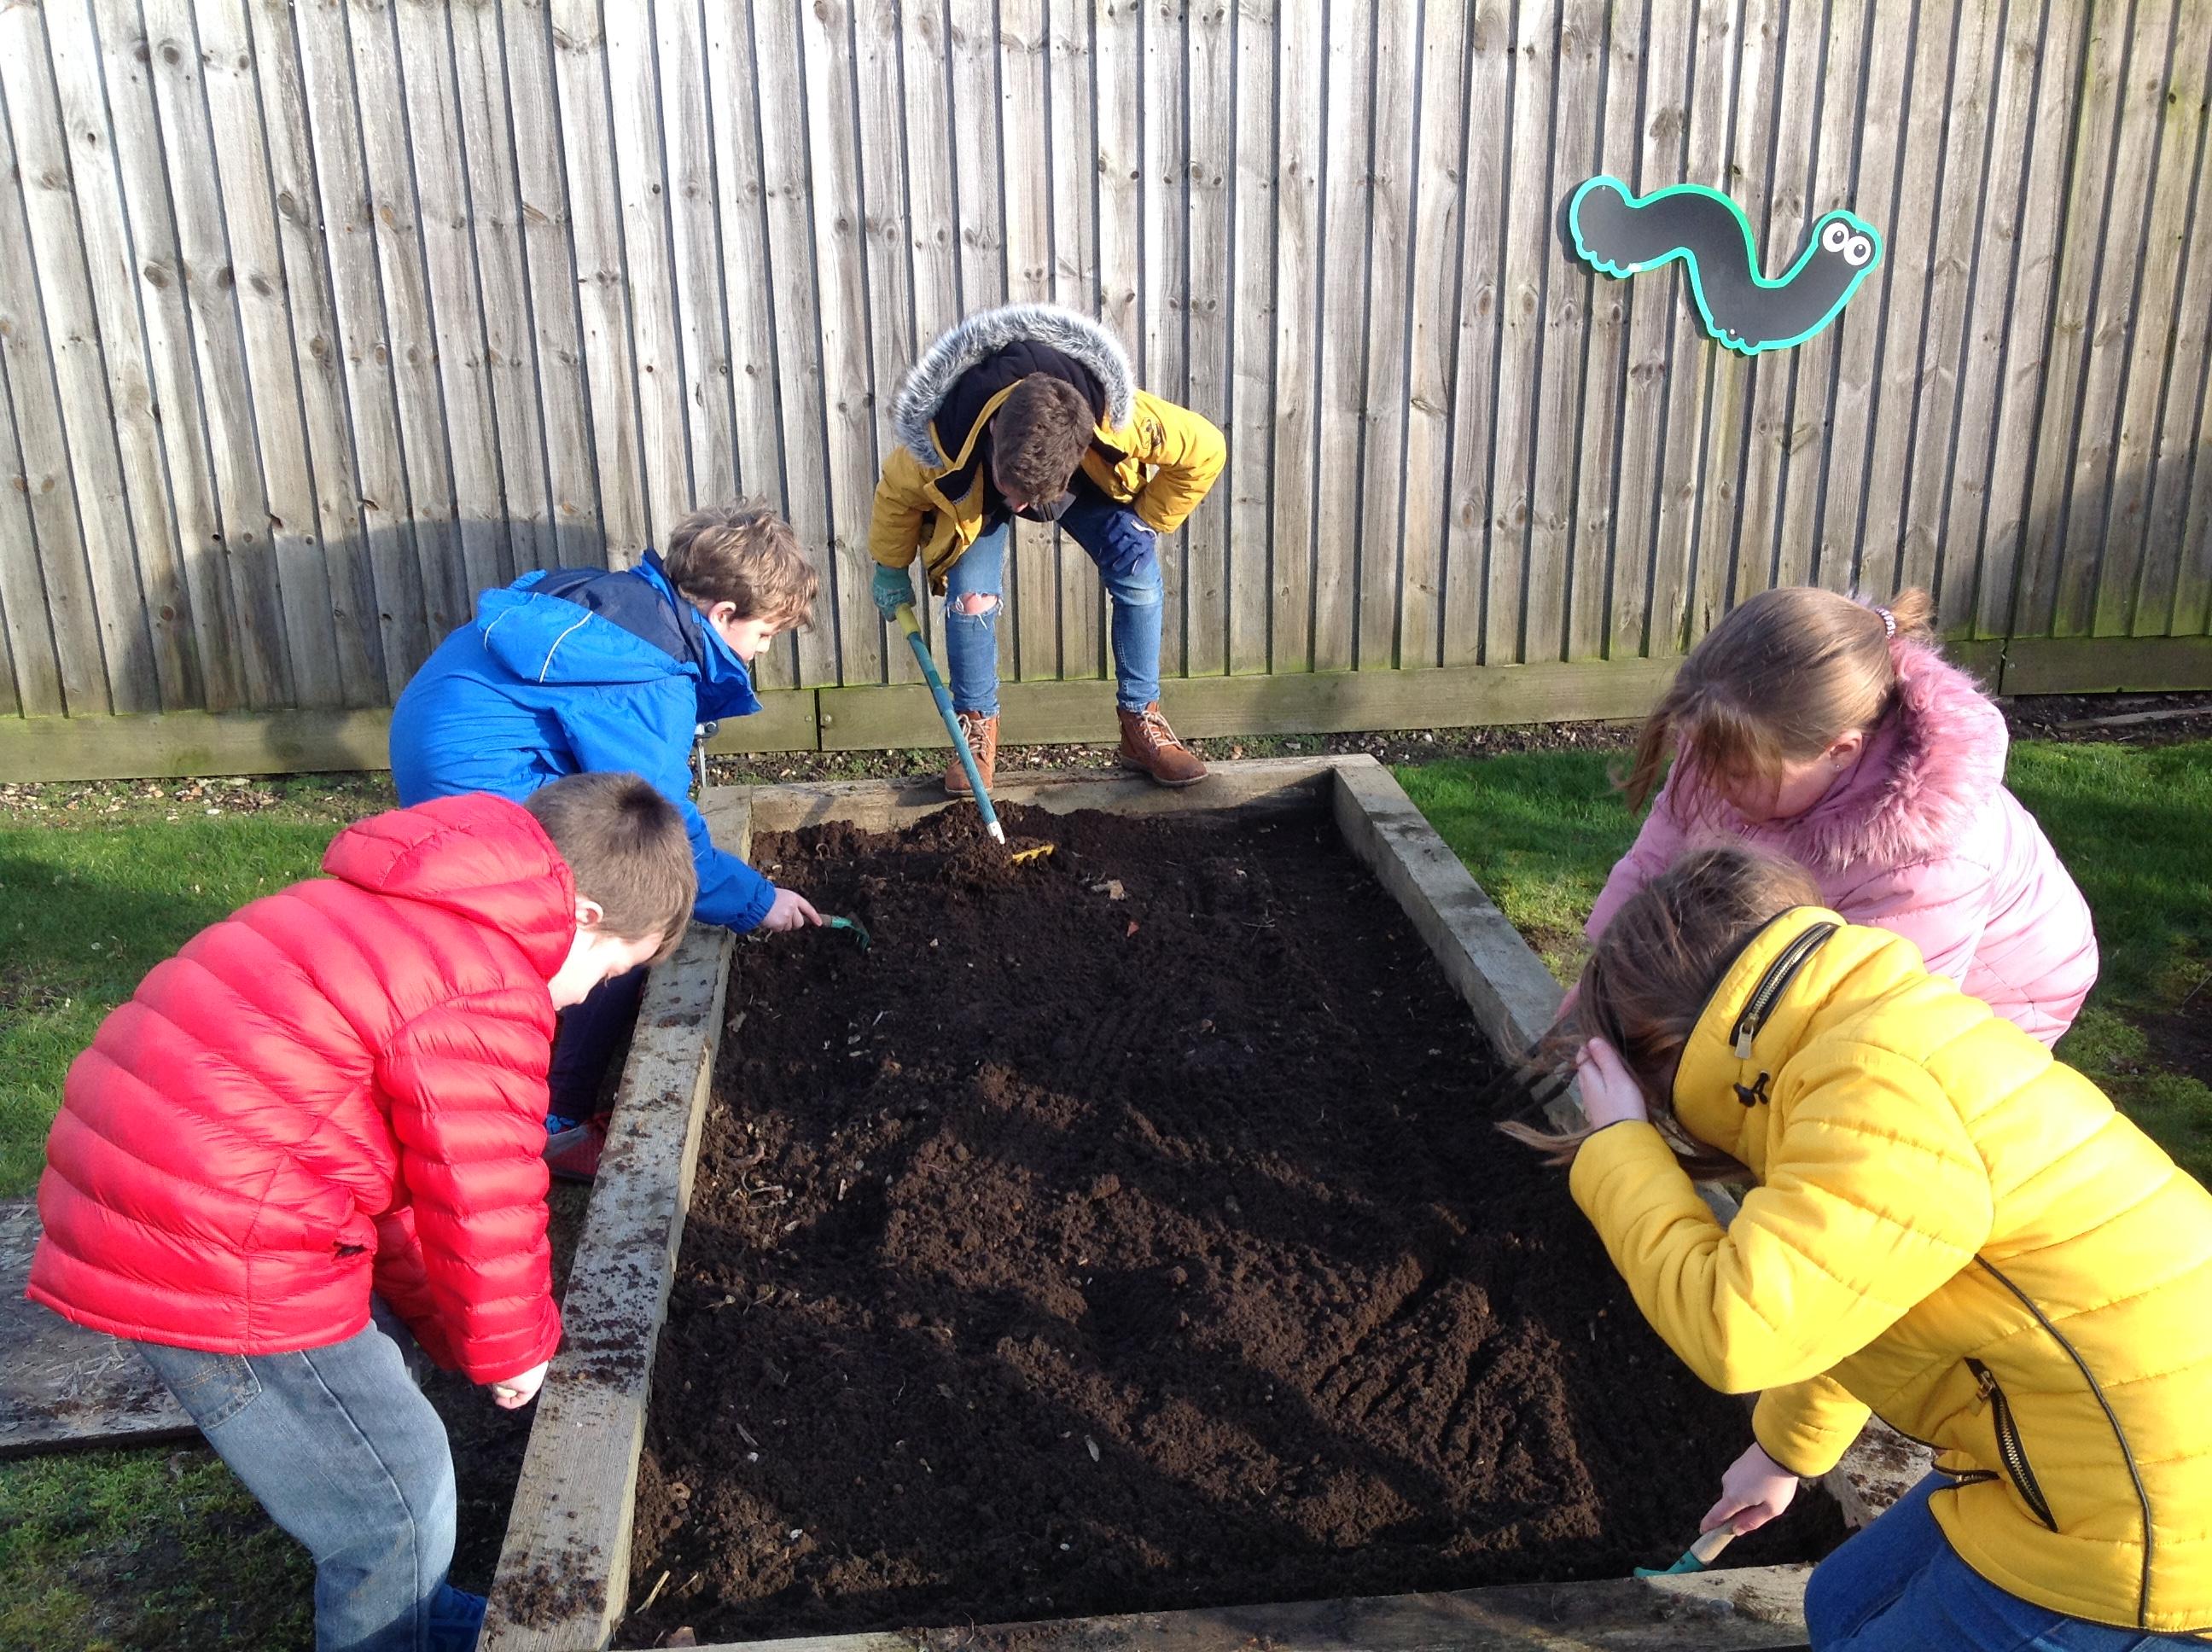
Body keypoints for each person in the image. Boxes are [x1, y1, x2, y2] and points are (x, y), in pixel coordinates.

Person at [27, 772, 697, 1652]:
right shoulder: (485, 984)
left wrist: (447, 1327)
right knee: (392, 1495)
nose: (586, 997)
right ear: (584, 915)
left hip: (163, 1189)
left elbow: (400, 1183)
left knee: (381, 1403)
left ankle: (422, 1616)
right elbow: (485, 1195)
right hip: (219, 1248)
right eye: (610, 970)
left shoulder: (401, 909)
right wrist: (516, 1351)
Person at [1508, 845, 2212, 1648]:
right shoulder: (1852, 1040)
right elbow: (1856, 1290)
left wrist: (1620, 1149)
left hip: (2149, 1521)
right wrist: (1784, 1452)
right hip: (2094, 1442)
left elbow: (1740, 1330)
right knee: (1840, 1608)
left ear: (1668, 1056)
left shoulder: (1874, 1092)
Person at [390, 500, 821, 1176]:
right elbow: (666, 831)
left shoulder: (618, 605)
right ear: (721, 616)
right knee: (632, 903)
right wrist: (757, 901)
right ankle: (557, 1123)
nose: (763, 651)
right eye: (764, 635)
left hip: (441, 756)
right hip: (478, 795)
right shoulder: (645, 675)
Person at [1585, 586, 2096, 1045]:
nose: (1710, 780)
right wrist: (1594, 995)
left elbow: (1877, 1026)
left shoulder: (1927, 858)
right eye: (1699, 753)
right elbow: (1650, 868)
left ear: (1841, 752)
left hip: (2005, 995)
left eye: (1737, 772)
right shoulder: (1727, 741)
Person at [867, 302, 1226, 793]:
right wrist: (890, 567)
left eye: (1028, 498)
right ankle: (976, 732)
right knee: (971, 597)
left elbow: (1207, 448)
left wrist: (1146, 521)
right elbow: (896, 493)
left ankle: (1140, 724)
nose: (1020, 507)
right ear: (995, 430)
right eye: (1014, 491)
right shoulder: (945, 437)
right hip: (979, 489)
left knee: (1138, 574)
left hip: (1077, 486)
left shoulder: (1114, 415)